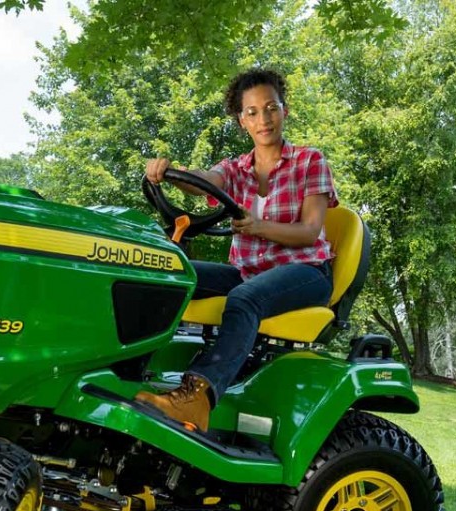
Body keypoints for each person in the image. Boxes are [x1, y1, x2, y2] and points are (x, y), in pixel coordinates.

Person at [136, 67, 338, 432]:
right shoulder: (235, 169)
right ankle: (128, 368)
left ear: (284, 110)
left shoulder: (310, 162)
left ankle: (197, 397)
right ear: (241, 121)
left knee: (245, 298)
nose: (264, 119)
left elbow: (310, 232)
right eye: (252, 112)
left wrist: (259, 227)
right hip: (249, 272)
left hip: (306, 272)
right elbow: (203, 183)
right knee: (167, 271)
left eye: (271, 108)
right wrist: (169, 171)